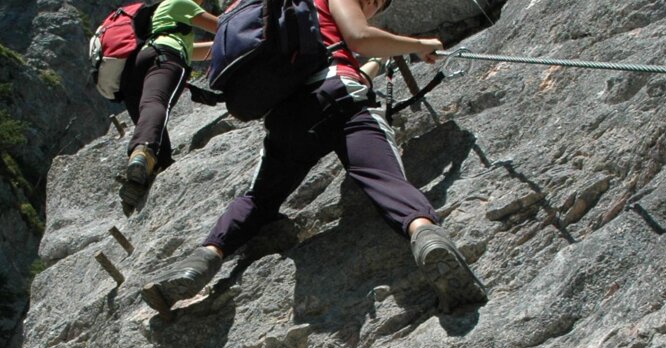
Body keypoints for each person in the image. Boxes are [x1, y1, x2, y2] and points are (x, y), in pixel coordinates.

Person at [140, 0, 487, 314]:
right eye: (376, 3)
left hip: (287, 116)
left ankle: (202, 261)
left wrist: (375, 66)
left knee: (259, 198)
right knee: (384, 177)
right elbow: (360, 38)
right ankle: (425, 235)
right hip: (340, 96)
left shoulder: (275, 16)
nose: (373, 8)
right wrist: (419, 45)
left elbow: (214, 51)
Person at [119, 0, 219, 211]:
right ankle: (142, 154)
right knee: (157, 105)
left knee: (156, 135)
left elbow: (199, 51)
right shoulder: (180, 3)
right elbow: (225, 28)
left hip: (136, 68)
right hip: (165, 58)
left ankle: (140, 185)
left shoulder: (162, 20)